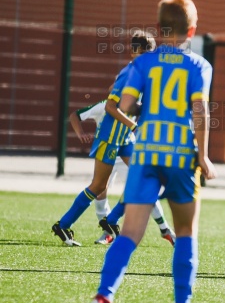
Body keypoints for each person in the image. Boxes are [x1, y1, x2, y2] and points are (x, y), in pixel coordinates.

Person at [85, 0, 216, 303]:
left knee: (129, 233)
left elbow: (125, 105)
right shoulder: (200, 66)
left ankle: (101, 299)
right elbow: (200, 111)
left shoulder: (141, 63)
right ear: (192, 31)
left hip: (144, 152)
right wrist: (203, 156)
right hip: (180, 154)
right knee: (186, 231)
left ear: (158, 28)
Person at [51, 31, 171, 247]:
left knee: (145, 178)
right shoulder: (130, 72)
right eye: (144, 52)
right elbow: (110, 106)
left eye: (150, 53)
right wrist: (133, 123)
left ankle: (112, 220)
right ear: (134, 51)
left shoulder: (140, 73)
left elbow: (121, 97)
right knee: (98, 186)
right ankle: (63, 225)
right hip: (110, 138)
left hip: (125, 139)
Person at [69, 99, 176, 246]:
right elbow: (75, 115)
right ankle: (108, 231)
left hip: (126, 151)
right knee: (100, 189)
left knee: (143, 185)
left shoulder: (135, 104)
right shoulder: (105, 105)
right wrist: (80, 133)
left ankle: (165, 230)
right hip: (106, 153)